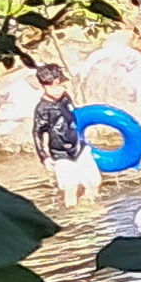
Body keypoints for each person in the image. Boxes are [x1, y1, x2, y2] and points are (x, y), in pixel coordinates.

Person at [30, 63, 100, 207]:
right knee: (70, 187)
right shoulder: (42, 109)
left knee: (95, 181)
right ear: (43, 86)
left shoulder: (65, 98)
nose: (57, 90)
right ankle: (73, 213)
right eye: (52, 87)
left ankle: (91, 205)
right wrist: (44, 157)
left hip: (79, 147)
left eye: (60, 85)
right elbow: (37, 132)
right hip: (60, 153)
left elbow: (75, 116)